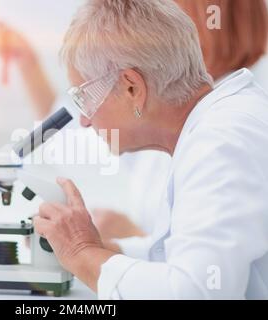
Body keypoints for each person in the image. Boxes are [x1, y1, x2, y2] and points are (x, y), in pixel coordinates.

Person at [32, 0, 268, 299]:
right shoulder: (208, 126)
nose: (85, 119)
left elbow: (196, 291)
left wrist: (81, 252)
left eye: (84, 98)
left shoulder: (221, 142)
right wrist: (103, 247)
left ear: (132, 87)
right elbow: (181, 257)